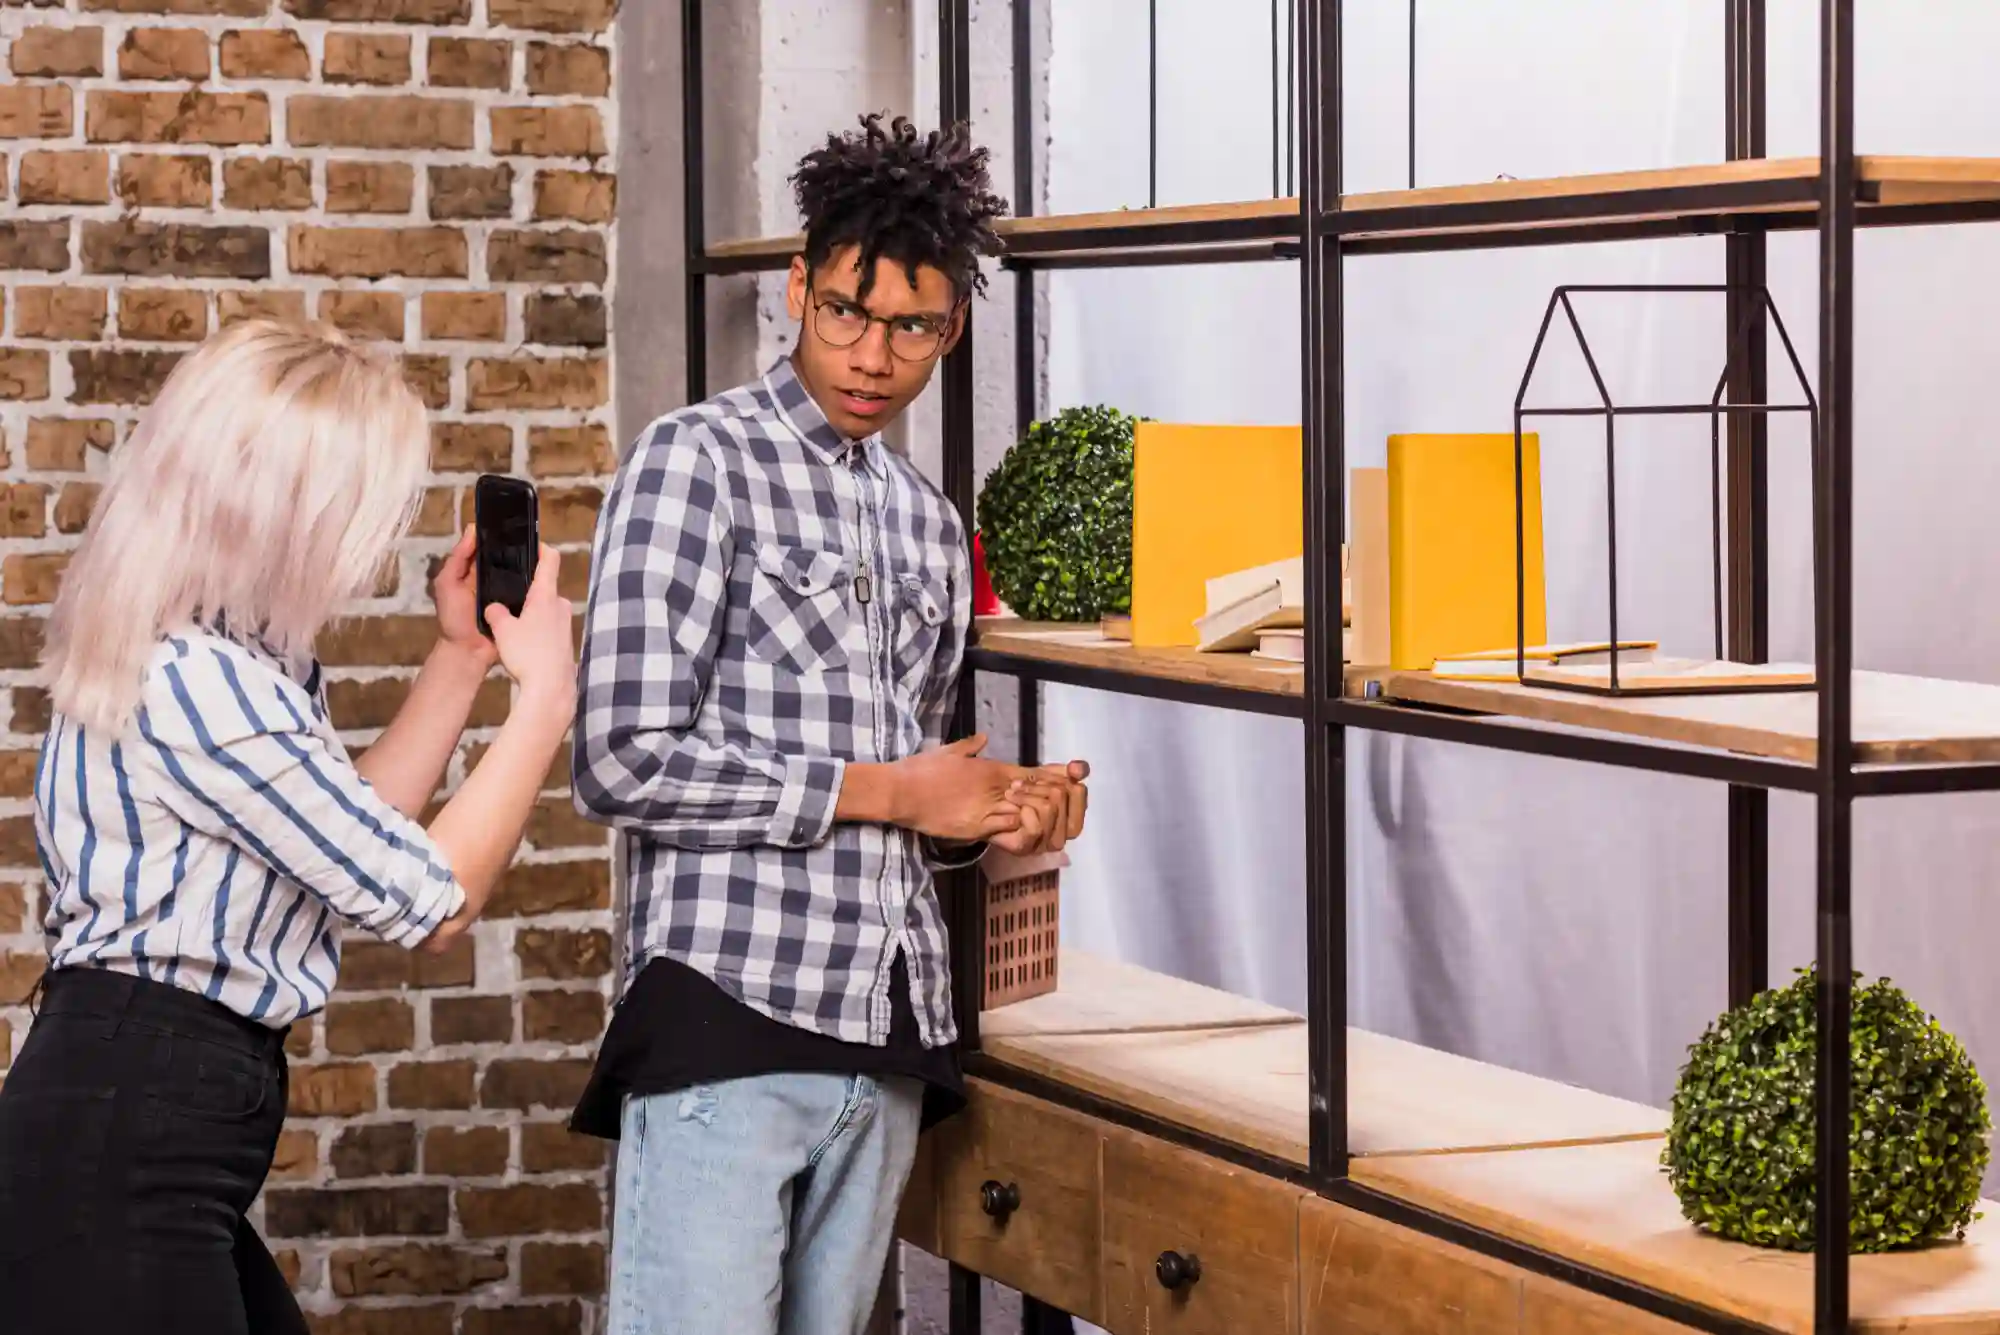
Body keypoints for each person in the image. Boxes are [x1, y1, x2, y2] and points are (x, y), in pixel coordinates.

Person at [570, 112, 1091, 1334]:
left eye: (910, 327)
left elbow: (911, 781)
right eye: (844, 313)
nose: (870, 354)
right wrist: (892, 790)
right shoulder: (693, 462)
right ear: (799, 289)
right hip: (727, 1020)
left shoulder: (923, 519)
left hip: (887, 1037)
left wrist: (993, 811)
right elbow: (619, 756)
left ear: (950, 329)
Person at [0, 320, 578, 1335]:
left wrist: (460, 657)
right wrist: (544, 704)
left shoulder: (234, 659)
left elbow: (349, 839)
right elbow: (432, 902)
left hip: (150, 1126)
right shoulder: (197, 682)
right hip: (128, 1132)